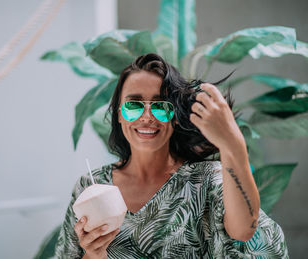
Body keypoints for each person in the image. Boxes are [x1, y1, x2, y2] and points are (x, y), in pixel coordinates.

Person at [54, 53, 288, 258]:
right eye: (133, 105)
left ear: (175, 116)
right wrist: (94, 255)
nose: (146, 117)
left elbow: (245, 230)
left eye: (161, 106)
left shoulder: (204, 181)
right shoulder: (89, 186)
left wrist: (232, 144)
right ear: (119, 114)